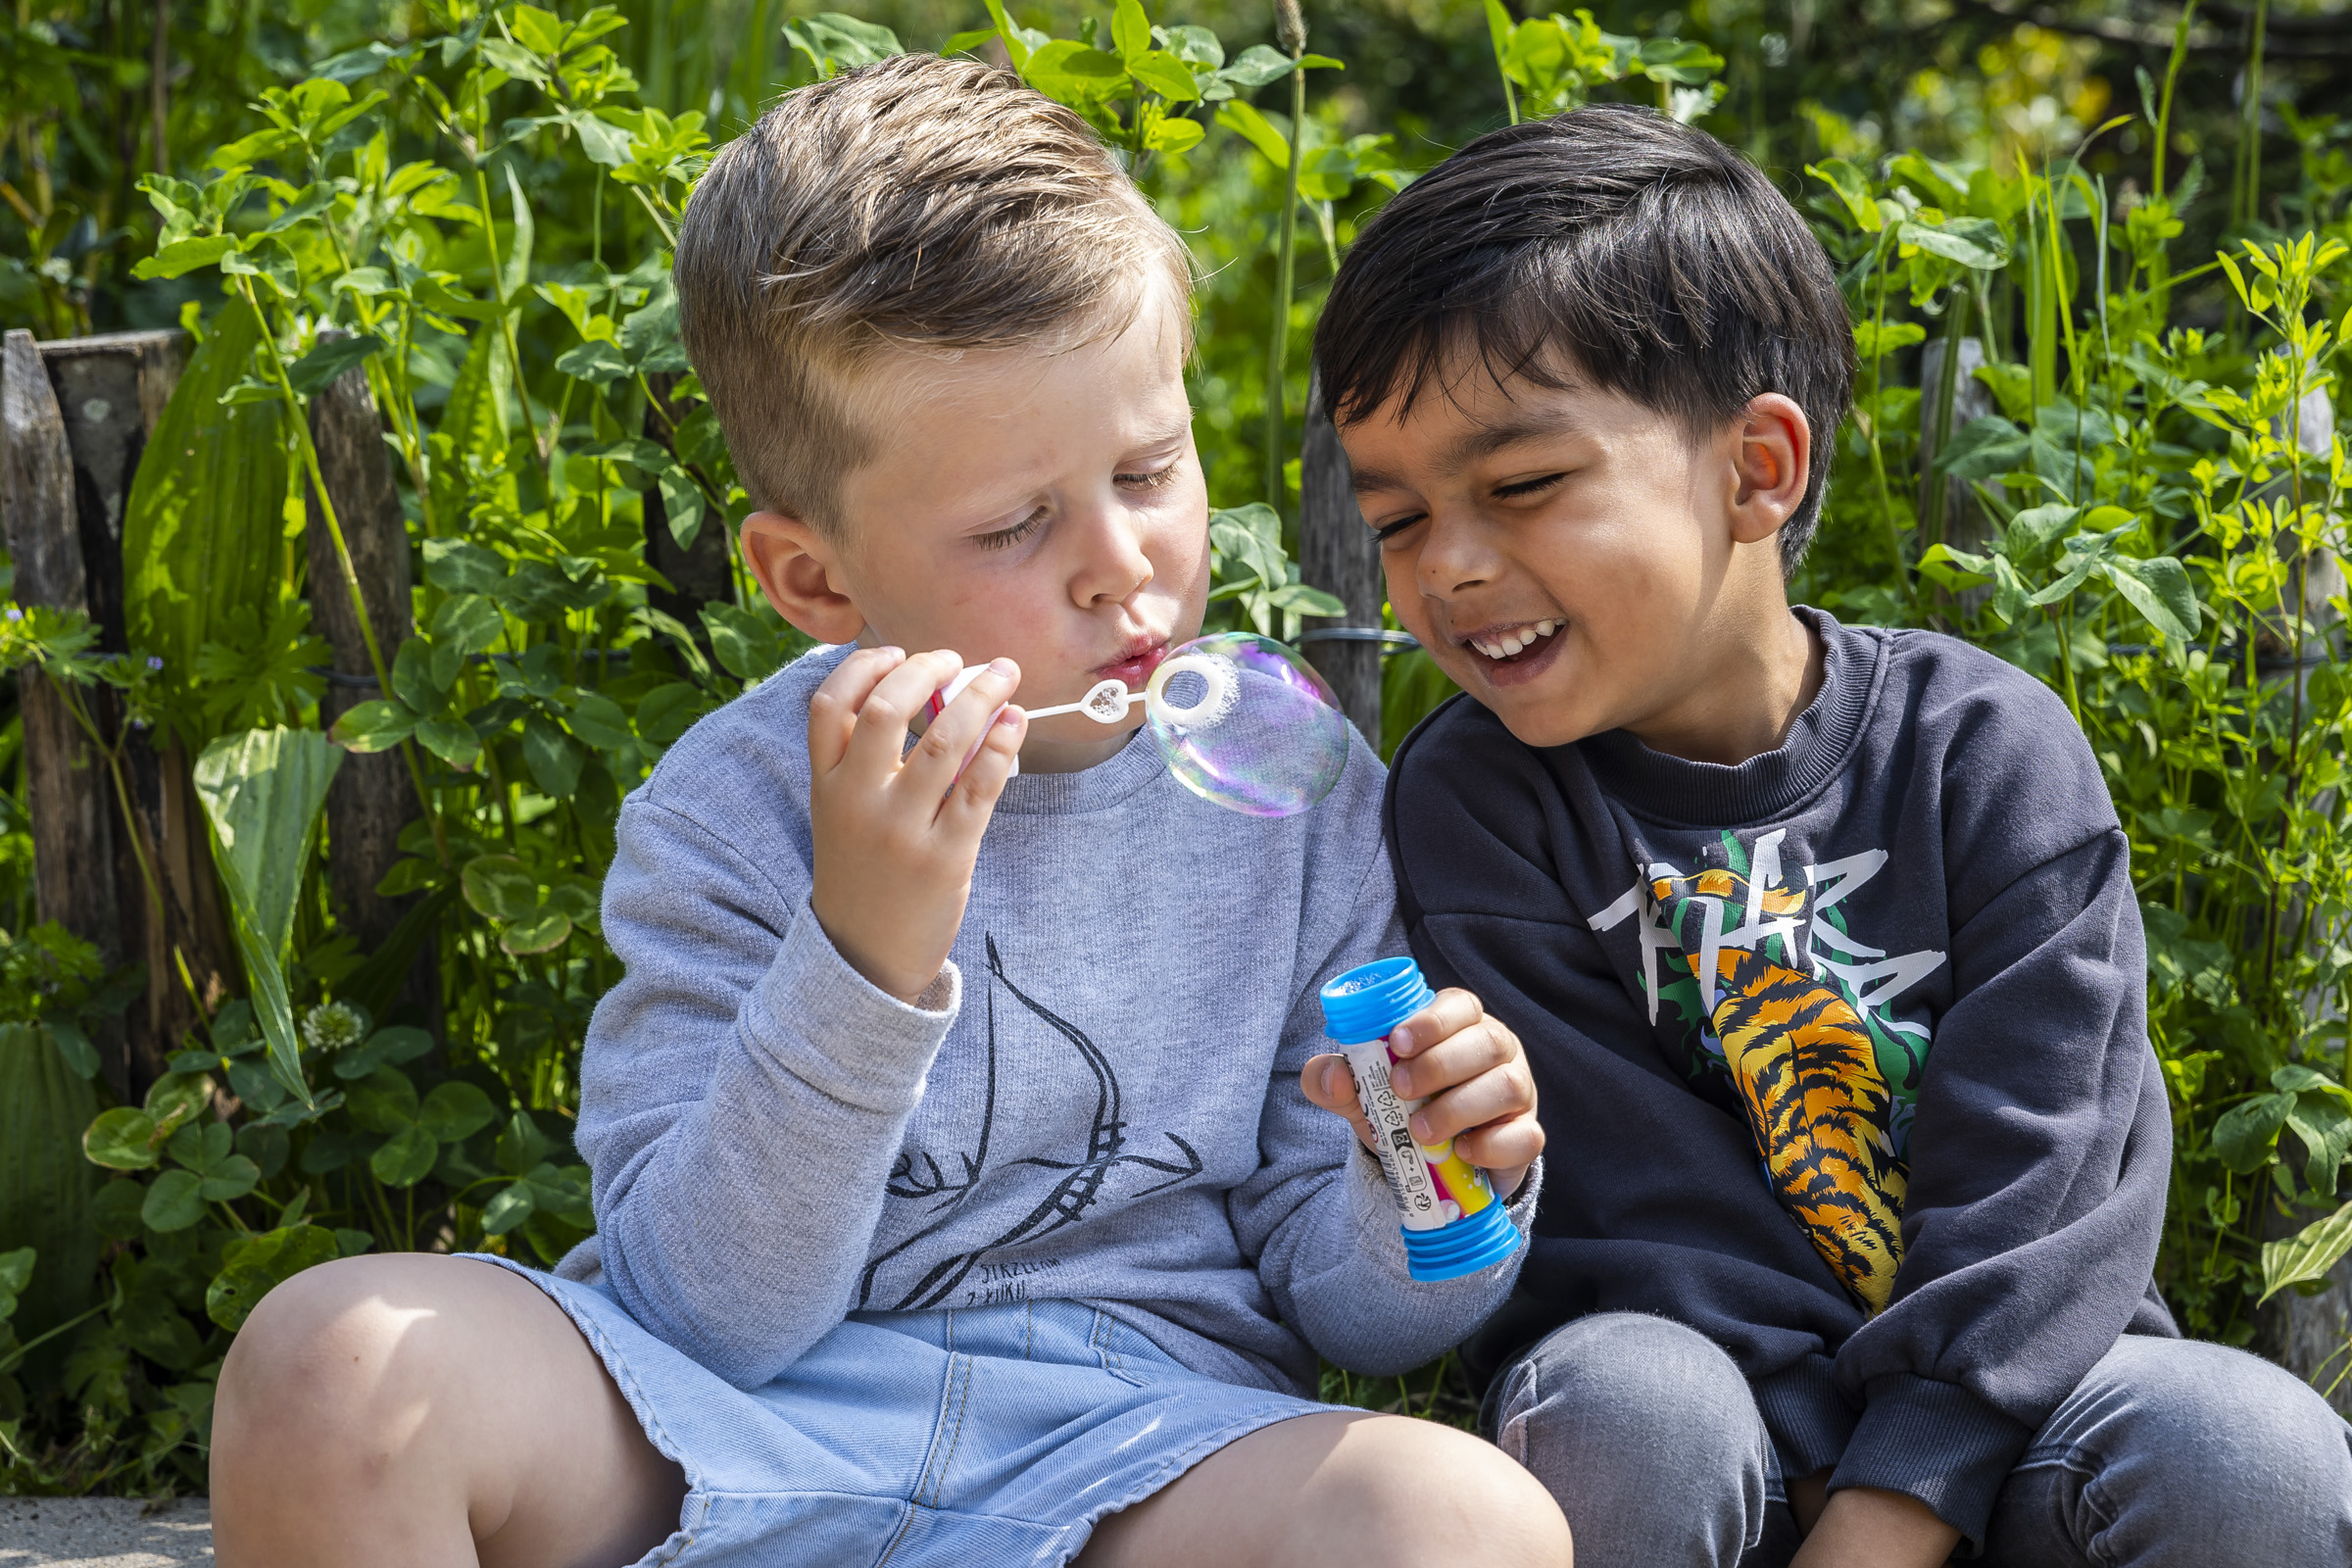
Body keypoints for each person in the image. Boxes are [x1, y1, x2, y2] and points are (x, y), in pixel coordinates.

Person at [207, 54, 1569, 1568]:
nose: (1121, 562)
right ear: (816, 581)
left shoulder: (1293, 799)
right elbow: (704, 1307)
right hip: (733, 1423)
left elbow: (1358, 1319)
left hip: (1139, 1447)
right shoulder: (733, 808)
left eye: (1149, 467)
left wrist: (1430, 1173)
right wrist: (863, 955)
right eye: (1014, 523)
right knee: (335, 1363)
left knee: (1462, 1523)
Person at [1312, 103, 2352, 1568]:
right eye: (1401, 519)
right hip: (1713, 1430)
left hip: (2023, 1408)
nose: (1454, 567)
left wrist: (1897, 1500)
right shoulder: (1480, 803)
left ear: (1758, 469)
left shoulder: (1986, 753)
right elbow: (1633, 1215)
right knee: (1626, 1408)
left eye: (1522, 486)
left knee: (2246, 1448)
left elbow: (2049, 1180)